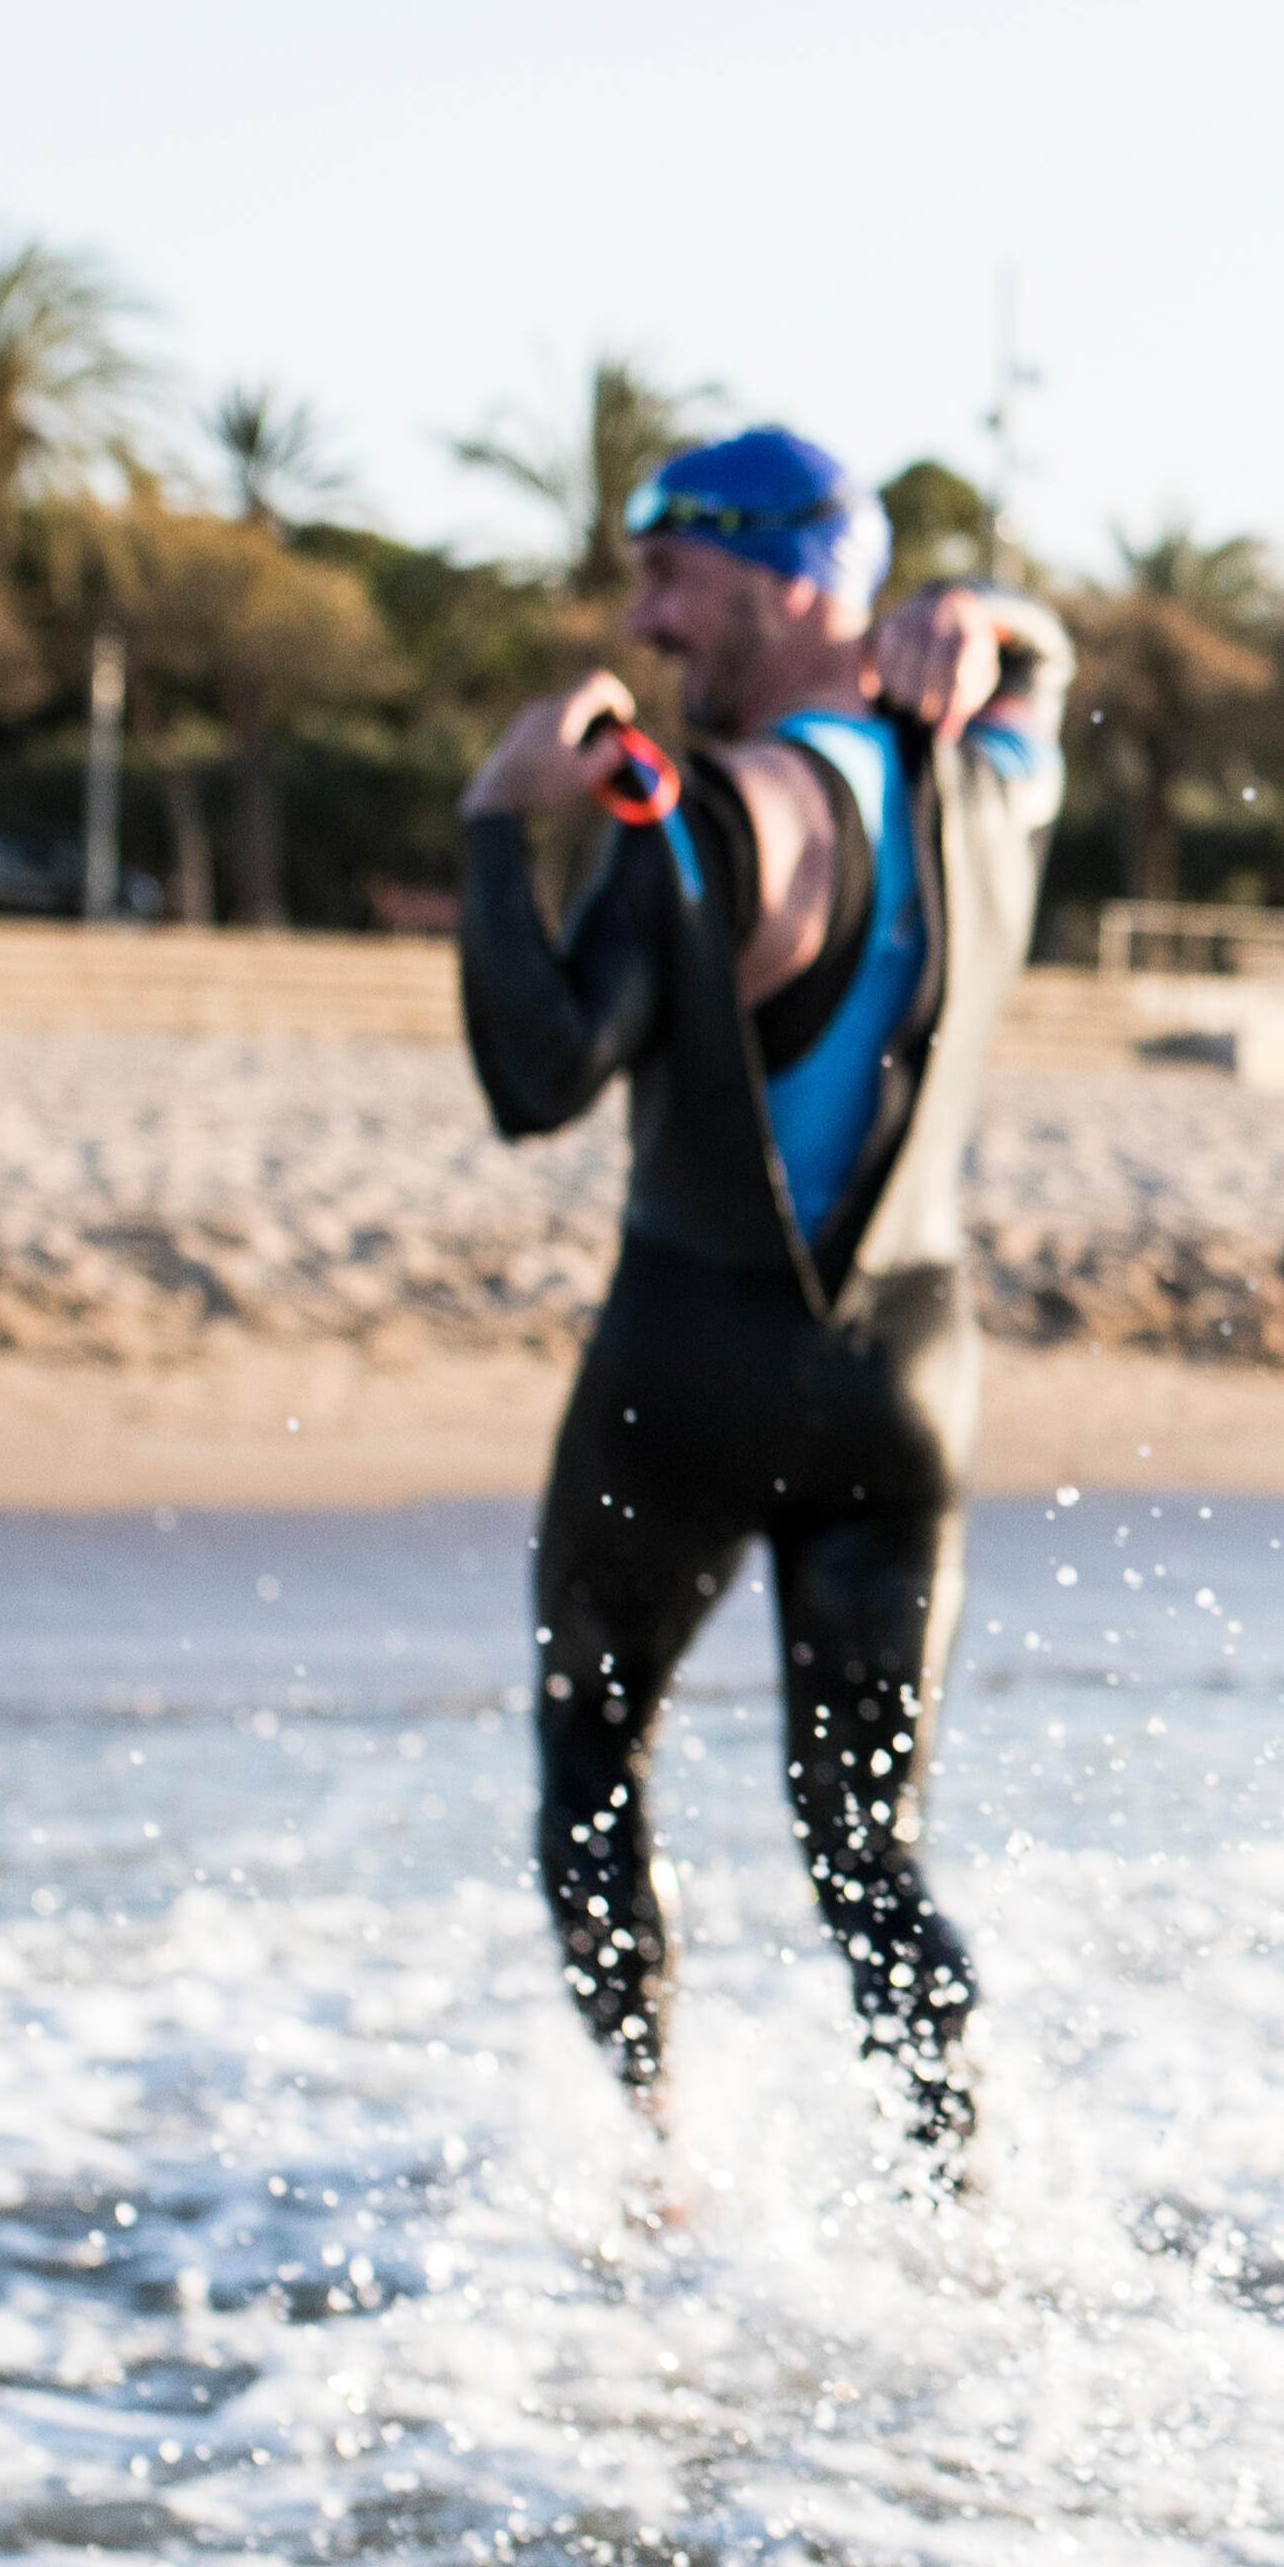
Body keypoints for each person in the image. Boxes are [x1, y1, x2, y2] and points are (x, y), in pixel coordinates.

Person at [453, 428, 1069, 2177]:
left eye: (675, 576)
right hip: (912, 1388)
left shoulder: (710, 816)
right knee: (867, 1853)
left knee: (591, 1766)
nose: (643, 618)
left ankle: (661, 2170)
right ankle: (963, 2204)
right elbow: (1048, 669)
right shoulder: (1000, 777)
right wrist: (989, 615)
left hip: (693, 1366)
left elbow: (539, 1069)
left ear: (799, 581)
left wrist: (499, 823)